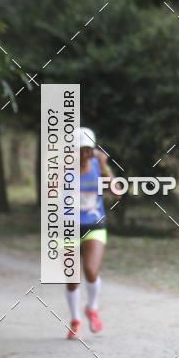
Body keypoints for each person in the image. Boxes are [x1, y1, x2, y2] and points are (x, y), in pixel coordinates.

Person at [65, 127, 118, 339]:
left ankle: (92, 308)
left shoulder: (98, 166)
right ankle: (75, 320)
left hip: (94, 225)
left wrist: (104, 167)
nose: (85, 155)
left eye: (89, 150)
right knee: (72, 279)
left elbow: (116, 193)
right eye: (80, 150)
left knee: (90, 270)